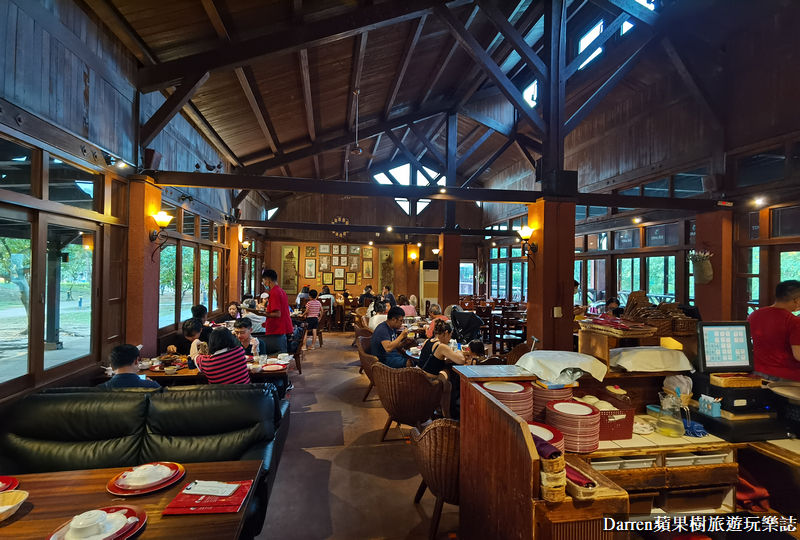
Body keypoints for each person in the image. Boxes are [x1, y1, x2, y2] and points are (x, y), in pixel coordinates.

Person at [749, 280, 800, 381]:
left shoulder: (754, 315)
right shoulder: (794, 322)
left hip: (757, 373)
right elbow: (798, 354)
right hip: (786, 377)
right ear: (797, 300)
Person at [417, 319, 466, 418]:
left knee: (446, 376)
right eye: (450, 336)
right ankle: (447, 414)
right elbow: (461, 360)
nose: (449, 340)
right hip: (430, 382)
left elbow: (434, 361)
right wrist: (459, 350)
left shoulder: (427, 341)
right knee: (448, 382)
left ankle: (443, 411)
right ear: (446, 333)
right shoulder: (441, 346)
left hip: (419, 378)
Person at [262, 268, 294, 354]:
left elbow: (277, 314)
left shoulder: (275, 293)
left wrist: (262, 313)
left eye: (263, 281)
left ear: (268, 280)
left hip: (277, 328)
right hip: (282, 326)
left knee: (277, 354)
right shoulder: (281, 291)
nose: (264, 284)